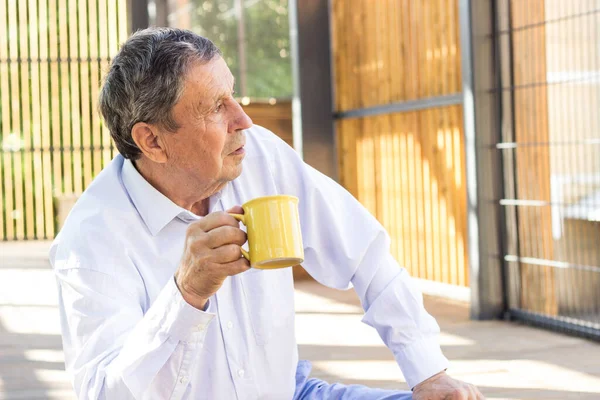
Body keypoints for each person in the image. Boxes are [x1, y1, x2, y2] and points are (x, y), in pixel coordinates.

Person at [50, 27, 484, 400]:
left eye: (232, 95)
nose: (244, 120)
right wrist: (185, 293)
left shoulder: (257, 155)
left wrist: (429, 372)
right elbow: (109, 392)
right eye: (215, 107)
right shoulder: (90, 240)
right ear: (153, 142)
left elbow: (366, 254)